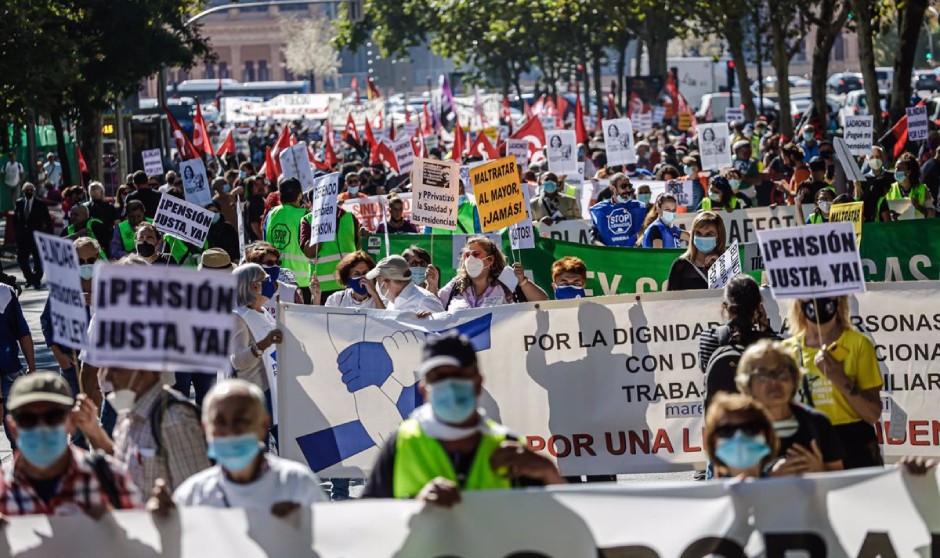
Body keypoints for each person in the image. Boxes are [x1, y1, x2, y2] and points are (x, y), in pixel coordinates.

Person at [362, 333, 564, 501]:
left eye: (459, 376)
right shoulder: (400, 444)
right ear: (424, 389)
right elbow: (369, 522)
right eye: (439, 377)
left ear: (478, 384)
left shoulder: (510, 447)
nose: (450, 386)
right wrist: (414, 505)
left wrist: (549, 474)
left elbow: (561, 528)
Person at [148, 379, 326, 514]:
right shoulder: (192, 496)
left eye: (241, 421)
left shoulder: (297, 484)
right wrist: (166, 525)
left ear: (263, 424)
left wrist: (302, 529)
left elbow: (331, 543)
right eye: (220, 422)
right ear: (205, 429)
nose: (230, 431)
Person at [0, 373, 141, 515]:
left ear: (72, 422)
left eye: (53, 417)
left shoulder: (111, 479)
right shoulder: (1, 487)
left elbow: (142, 530)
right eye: (27, 419)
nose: (41, 427)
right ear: (13, 427)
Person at [783, 296, 883, 469]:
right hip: (809, 445)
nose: (817, 298)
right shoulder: (786, 350)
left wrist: (838, 377)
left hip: (854, 445)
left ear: (839, 299)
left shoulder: (859, 344)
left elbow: (872, 414)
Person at [73, 368, 210, 493]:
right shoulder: (127, 410)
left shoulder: (175, 420)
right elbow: (121, 464)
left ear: (145, 372)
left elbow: (198, 497)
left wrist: (167, 512)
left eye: (116, 369)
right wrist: (93, 431)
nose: (107, 377)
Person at [736, 340, 844, 474]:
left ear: (794, 380)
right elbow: (730, 488)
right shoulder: (736, 430)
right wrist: (770, 479)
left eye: (781, 373)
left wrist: (820, 470)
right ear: (748, 384)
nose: (774, 382)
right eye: (763, 375)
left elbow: (839, 480)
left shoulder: (818, 423)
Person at [698, 274, 779, 408]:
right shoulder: (771, 344)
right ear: (758, 307)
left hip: (724, 421)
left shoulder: (709, 339)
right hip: (762, 421)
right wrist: (766, 329)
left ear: (725, 306)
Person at [229, 264, 283, 448]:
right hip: (255, 394)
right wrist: (263, 344)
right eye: (265, 280)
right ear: (252, 286)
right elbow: (237, 360)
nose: (270, 284)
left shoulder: (263, 312)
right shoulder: (238, 317)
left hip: (273, 388)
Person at [40, 236, 99, 401]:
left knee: (103, 419)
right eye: (80, 261)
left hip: (102, 365)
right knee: (75, 417)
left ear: (99, 257)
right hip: (71, 364)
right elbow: (47, 321)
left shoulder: (109, 284)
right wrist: (59, 355)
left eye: (90, 260)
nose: (85, 264)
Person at [438, 236, 547, 310]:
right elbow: (435, 305)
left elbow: (543, 302)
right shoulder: (456, 285)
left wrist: (522, 281)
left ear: (490, 259)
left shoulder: (506, 278)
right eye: (467, 255)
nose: (470, 259)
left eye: (476, 254)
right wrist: (432, 285)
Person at [299, 182, 360, 298]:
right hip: (322, 289)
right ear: (312, 204)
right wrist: (322, 226)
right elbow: (309, 253)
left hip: (348, 285)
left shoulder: (349, 217)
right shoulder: (308, 221)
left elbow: (358, 248)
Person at [704, 393, 779, 479]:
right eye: (726, 431)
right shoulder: (709, 492)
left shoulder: (788, 490)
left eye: (750, 428)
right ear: (713, 441)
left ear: (767, 435)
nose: (739, 436)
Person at [264, 178, 315, 298]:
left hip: (276, 278)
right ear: (299, 195)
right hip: (302, 281)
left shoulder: (271, 214)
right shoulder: (306, 216)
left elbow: (265, 244)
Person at [0, 281, 36, 447]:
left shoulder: (5, 294)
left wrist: (32, 366)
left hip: (9, 372)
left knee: (16, 431)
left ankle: (20, 468)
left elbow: (22, 332)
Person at [666, 211, 726, 291]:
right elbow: (670, 300)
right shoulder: (681, 265)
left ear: (719, 237)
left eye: (709, 234)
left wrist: (720, 267)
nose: (703, 237)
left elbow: (732, 298)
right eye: (698, 233)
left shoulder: (727, 264)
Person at [366, 255, 445, 313]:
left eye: (378, 281)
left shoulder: (425, 301)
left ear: (386, 284)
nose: (377, 285)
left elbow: (445, 333)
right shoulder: (393, 302)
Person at [243, 241, 305, 313]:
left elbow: (303, 319)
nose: (275, 266)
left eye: (277, 262)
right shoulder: (245, 294)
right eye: (270, 263)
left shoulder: (292, 293)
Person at [13, 182, 53, 289]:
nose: (29, 191)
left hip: (37, 236)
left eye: (31, 189)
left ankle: (36, 280)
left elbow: (48, 221)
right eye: (27, 190)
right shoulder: (19, 203)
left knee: (38, 260)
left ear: (34, 191)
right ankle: (30, 278)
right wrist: (16, 234)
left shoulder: (40, 203)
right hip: (23, 237)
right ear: (23, 191)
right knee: (21, 260)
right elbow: (15, 220)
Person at [588, 179, 648, 247]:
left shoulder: (639, 208)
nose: (627, 189)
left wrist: (638, 244)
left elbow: (645, 231)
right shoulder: (600, 210)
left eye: (629, 186)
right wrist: (606, 250)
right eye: (623, 186)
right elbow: (593, 237)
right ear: (612, 188)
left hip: (634, 254)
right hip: (608, 255)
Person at [884, 153, 936, 218]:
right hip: (897, 227)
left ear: (909, 172)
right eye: (895, 168)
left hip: (918, 227)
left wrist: (919, 207)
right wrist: (892, 216)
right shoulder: (890, 189)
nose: (896, 171)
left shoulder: (922, 189)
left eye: (899, 169)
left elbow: (932, 214)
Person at [85, 182, 120, 258]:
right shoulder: (110, 208)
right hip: (107, 243)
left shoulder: (85, 208)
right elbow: (118, 225)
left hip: (89, 243)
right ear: (102, 192)